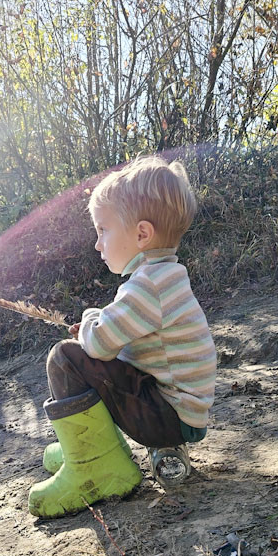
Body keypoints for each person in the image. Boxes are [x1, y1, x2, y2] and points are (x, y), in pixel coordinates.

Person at [28, 155, 218, 518]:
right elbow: (120, 331)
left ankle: (95, 465)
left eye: (103, 231)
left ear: (141, 234)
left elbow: (98, 344)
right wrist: (96, 321)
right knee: (87, 357)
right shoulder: (164, 277)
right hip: (176, 411)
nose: (98, 244)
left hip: (167, 417)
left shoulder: (148, 286)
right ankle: (88, 448)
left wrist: (88, 324)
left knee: (66, 359)